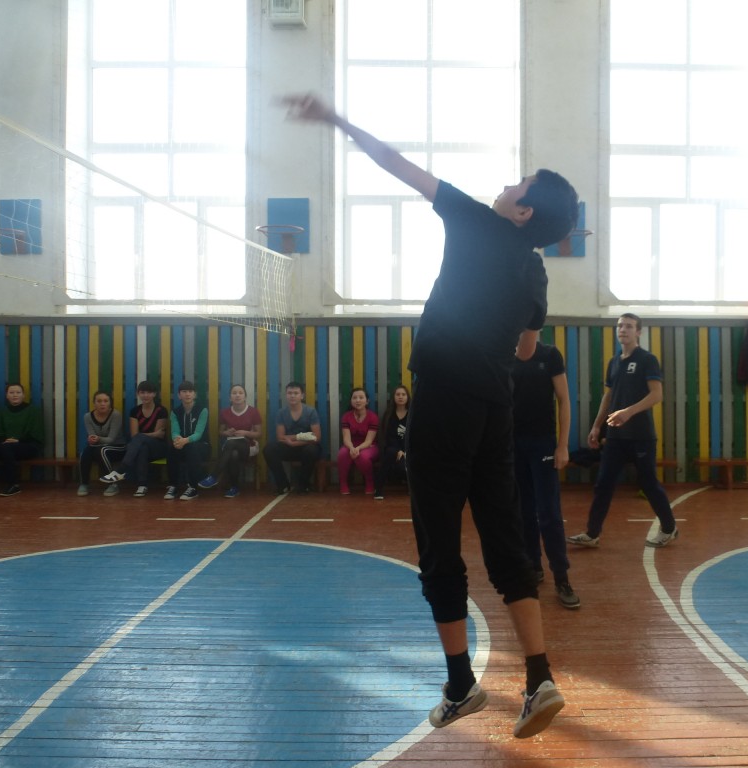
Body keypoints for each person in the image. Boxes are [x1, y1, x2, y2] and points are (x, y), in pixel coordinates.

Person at [280, 92, 578, 738]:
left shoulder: (474, 219)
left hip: (444, 400)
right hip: (495, 410)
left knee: (439, 544)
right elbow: (527, 350)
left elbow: (395, 162)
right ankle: (539, 676)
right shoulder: (534, 270)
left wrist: (336, 119)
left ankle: (461, 684)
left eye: (517, 183)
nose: (506, 184)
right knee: (504, 537)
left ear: (523, 209)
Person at [567, 313, 678, 549]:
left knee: (648, 484)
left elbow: (656, 395)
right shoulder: (614, 362)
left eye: (629, 326)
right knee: (603, 484)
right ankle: (592, 534)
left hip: (641, 436)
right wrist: (597, 425)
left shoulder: (647, 359)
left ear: (638, 332)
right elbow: (608, 396)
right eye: (620, 326)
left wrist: (628, 412)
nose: (623, 330)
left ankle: (669, 528)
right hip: (615, 437)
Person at [512, 341, 580, 609]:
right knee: (523, 511)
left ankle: (561, 577)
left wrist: (562, 445)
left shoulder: (549, 354)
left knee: (549, 513)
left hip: (543, 443)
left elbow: (564, 400)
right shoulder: (504, 353)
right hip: (513, 445)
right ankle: (533, 566)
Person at [100, 380, 168, 498]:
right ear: (138, 394)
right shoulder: (135, 411)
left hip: (159, 448)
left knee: (140, 439)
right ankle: (142, 485)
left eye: (149, 392)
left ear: (154, 394)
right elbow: (134, 435)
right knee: (142, 448)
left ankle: (121, 470)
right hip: (141, 447)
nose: (145, 395)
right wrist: (150, 434)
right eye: (142, 392)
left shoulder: (161, 410)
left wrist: (143, 435)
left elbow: (160, 435)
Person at [0, 382, 44, 497]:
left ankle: (13, 485)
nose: (15, 395)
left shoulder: (33, 411)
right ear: (7, 395)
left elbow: (36, 432)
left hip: (29, 445)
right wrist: (5, 439)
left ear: (23, 395)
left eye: (18, 392)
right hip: (5, 444)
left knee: (5, 448)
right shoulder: (3, 411)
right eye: (11, 392)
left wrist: (18, 440)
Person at [198, 384, 262, 498]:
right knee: (233, 454)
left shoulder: (253, 411)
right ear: (230, 397)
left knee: (232, 445)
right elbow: (220, 432)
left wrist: (245, 433)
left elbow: (259, 433)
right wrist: (227, 433)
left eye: (240, 393)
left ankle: (214, 476)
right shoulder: (224, 412)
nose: (237, 395)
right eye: (234, 393)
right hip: (230, 447)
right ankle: (234, 488)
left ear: (245, 396)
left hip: (248, 446)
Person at [262, 381, 322, 494]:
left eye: (296, 393)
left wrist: (295, 441)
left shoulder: (310, 411)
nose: (292, 396)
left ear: (302, 396)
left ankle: (303, 485)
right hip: (288, 446)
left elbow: (316, 437)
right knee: (269, 449)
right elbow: (280, 437)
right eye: (289, 393)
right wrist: (302, 437)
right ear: (286, 395)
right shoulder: (281, 413)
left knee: (311, 451)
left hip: (307, 446)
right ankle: (283, 484)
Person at [164, 381, 210, 501]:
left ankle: (193, 487)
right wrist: (177, 440)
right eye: (184, 392)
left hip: (202, 446)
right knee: (172, 448)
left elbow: (199, 434)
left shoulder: (202, 410)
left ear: (194, 394)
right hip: (183, 445)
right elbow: (175, 431)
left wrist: (185, 440)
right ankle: (173, 486)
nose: (187, 394)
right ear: (179, 395)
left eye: (190, 391)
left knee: (191, 447)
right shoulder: (175, 412)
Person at [77, 390, 126, 496]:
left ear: (110, 403)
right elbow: (92, 437)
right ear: (94, 403)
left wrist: (97, 439)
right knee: (85, 452)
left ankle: (113, 484)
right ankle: (84, 484)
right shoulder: (87, 416)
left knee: (102, 450)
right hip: (98, 448)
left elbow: (111, 439)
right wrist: (91, 439)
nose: (102, 404)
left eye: (105, 401)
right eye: (99, 401)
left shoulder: (116, 415)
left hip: (118, 448)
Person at [337, 387, 380, 496]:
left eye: (361, 397)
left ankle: (370, 482)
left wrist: (358, 449)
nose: (358, 400)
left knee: (362, 456)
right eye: (354, 398)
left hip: (369, 446)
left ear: (367, 401)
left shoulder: (373, 417)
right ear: (351, 401)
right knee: (342, 453)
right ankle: (343, 483)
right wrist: (352, 448)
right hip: (351, 445)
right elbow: (346, 438)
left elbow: (369, 440)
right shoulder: (346, 416)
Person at [373, 385, 410, 500]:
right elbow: (387, 437)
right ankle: (378, 489)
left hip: (408, 450)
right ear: (393, 397)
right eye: (398, 394)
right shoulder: (389, 414)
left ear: (408, 397)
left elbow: (414, 436)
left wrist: (404, 451)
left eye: (403, 394)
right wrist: (397, 450)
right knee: (389, 454)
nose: (400, 397)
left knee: (402, 466)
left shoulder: (412, 414)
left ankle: (411, 486)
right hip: (391, 449)